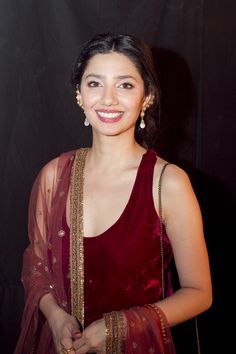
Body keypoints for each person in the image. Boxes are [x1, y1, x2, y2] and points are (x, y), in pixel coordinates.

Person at [14, 33, 212, 354]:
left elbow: (200, 292)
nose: (108, 99)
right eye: (94, 84)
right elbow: (36, 265)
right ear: (79, 93)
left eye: (125, 85)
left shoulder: (168, 183)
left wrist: (121, 326)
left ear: (146, 96)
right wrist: (55, 316)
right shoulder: (54, 175)